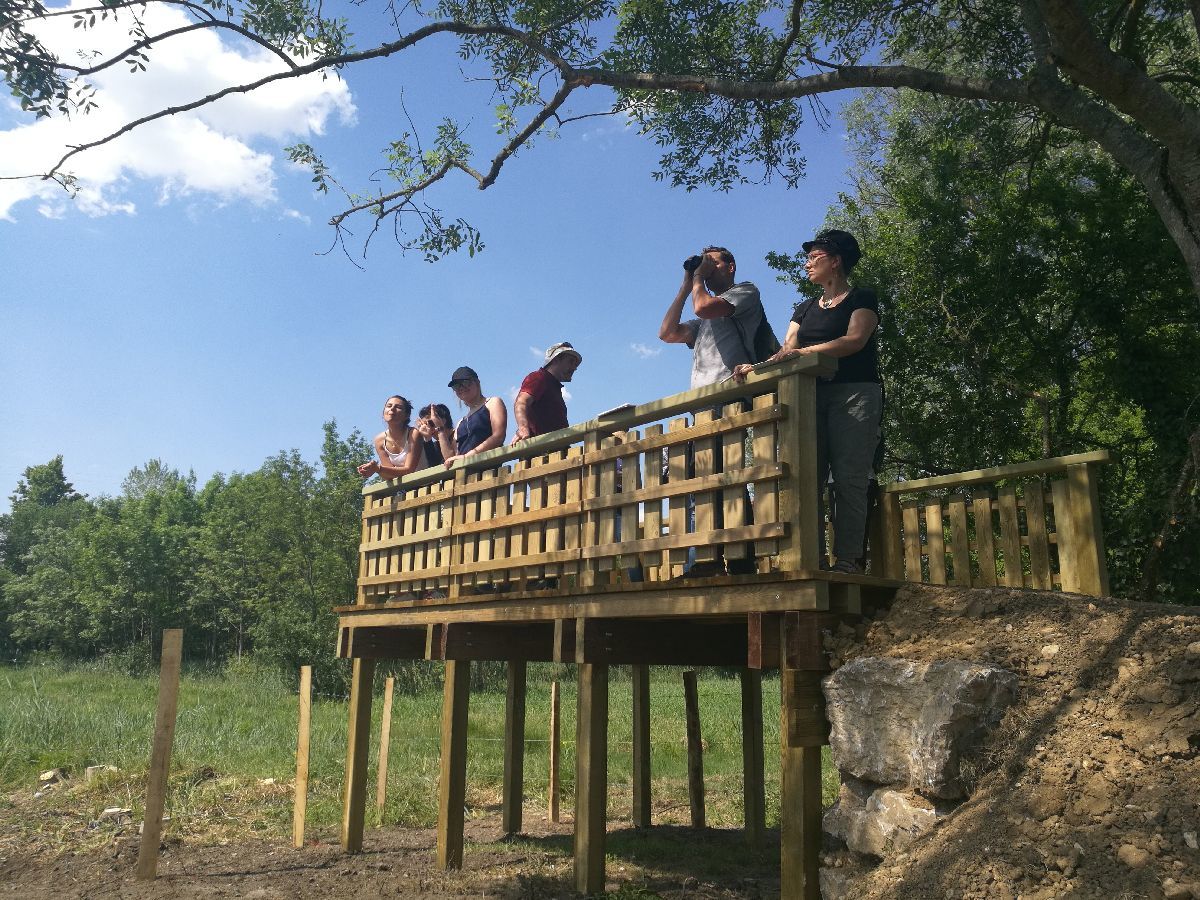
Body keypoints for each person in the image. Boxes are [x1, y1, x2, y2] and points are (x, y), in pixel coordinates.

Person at [734, 229, 881, 575]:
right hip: (810, 395)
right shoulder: (804, 308)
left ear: (836, 260)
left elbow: (855, 340)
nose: (807, 264)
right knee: (807, 478)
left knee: (848, 478)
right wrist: (756, 367)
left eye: (814, 257)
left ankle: (848, 560)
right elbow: (787, 351)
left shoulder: (863, 298)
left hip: (854, 393)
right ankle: (810, 559)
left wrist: (805, 352)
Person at [658, 245, 765, 388]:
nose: (707, 269)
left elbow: (703, 308)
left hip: (736, 395)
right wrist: (685, 287)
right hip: (702, 402)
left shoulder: (747, 290)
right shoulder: (703, 324)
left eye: (713, 263)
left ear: (731, 267)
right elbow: (667, 334)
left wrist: (699, 276)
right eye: (704, 264)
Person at [436, 366, 508, 468]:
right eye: (456, 386)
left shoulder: (493, 403)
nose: (461, 387)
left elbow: (498, 436)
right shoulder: (461, 422)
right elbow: (450, 458)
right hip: (462, 477)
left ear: (477, 382)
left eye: (465, 382)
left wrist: (467, 456)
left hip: (489, 473)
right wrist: (440, 429)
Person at [512, 341, 582, 443]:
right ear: (556, 359)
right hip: (540, 453)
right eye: (571, 361)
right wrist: (523, 429)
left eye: (576, 364)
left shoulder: (554, 387)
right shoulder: (539, 377)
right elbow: (522, 402)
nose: (575, 368)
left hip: (553, 452)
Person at [357, 395, 424, 480]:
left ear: (407, 415)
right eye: (389, 406)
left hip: (426, 484)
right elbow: (389, 475)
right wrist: (372, 470)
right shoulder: (379, 440)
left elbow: (409, 470)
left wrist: (378, 469)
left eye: (398, 407)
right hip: (404, 489)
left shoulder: (413, 434)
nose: (392, 409)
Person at [416, 403, 452, 468]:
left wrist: (440, 428)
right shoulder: (435, 445)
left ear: (443, 420)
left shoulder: (458, 435)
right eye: (425, 424)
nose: (429, 428)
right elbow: (434, 467)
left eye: (431, 423)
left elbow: (451, 462)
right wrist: (427, 439)